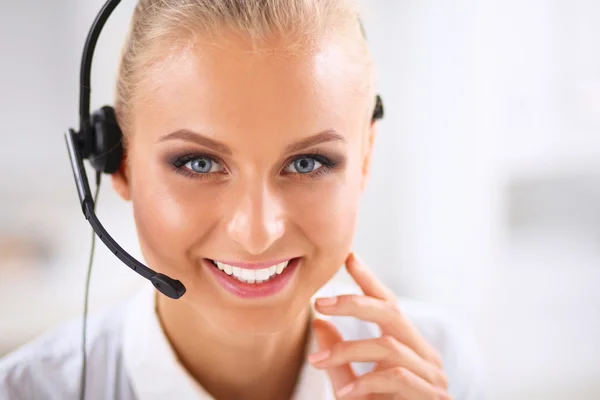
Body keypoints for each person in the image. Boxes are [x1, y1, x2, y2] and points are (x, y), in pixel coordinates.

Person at [0, 1, 484, 399]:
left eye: (307, 163)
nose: (257, 233)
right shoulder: (26, 391)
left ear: (364, 160)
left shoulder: (434, 365)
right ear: (118, 162)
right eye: (199, 164)